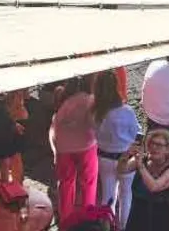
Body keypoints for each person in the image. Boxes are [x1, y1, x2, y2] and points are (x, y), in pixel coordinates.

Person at [94, 71, 139, 231]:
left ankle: (106, 226)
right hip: (125, 158)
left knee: (107, 194)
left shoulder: (95, 112)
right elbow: (136, 132)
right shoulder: (126, 110)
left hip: (103, 157)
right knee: (126, 194)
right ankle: (122, 227)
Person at [50, 76, 98, 224]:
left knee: (65, 183)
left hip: (62, 146)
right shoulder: (90, 99)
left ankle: (65, 221)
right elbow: (94, 123)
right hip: (85, 145)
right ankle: (87, 220)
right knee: (88, 182)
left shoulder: (62, 98)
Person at [118, 129, 169, 231]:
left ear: (168, 149)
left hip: (157, 216)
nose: (154, 147)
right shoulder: (143, 159)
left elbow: (153, 187)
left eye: (159, 145)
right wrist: (126, 153)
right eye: (152, 143)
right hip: (137, 211)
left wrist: (141, 166)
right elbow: (122, 169)